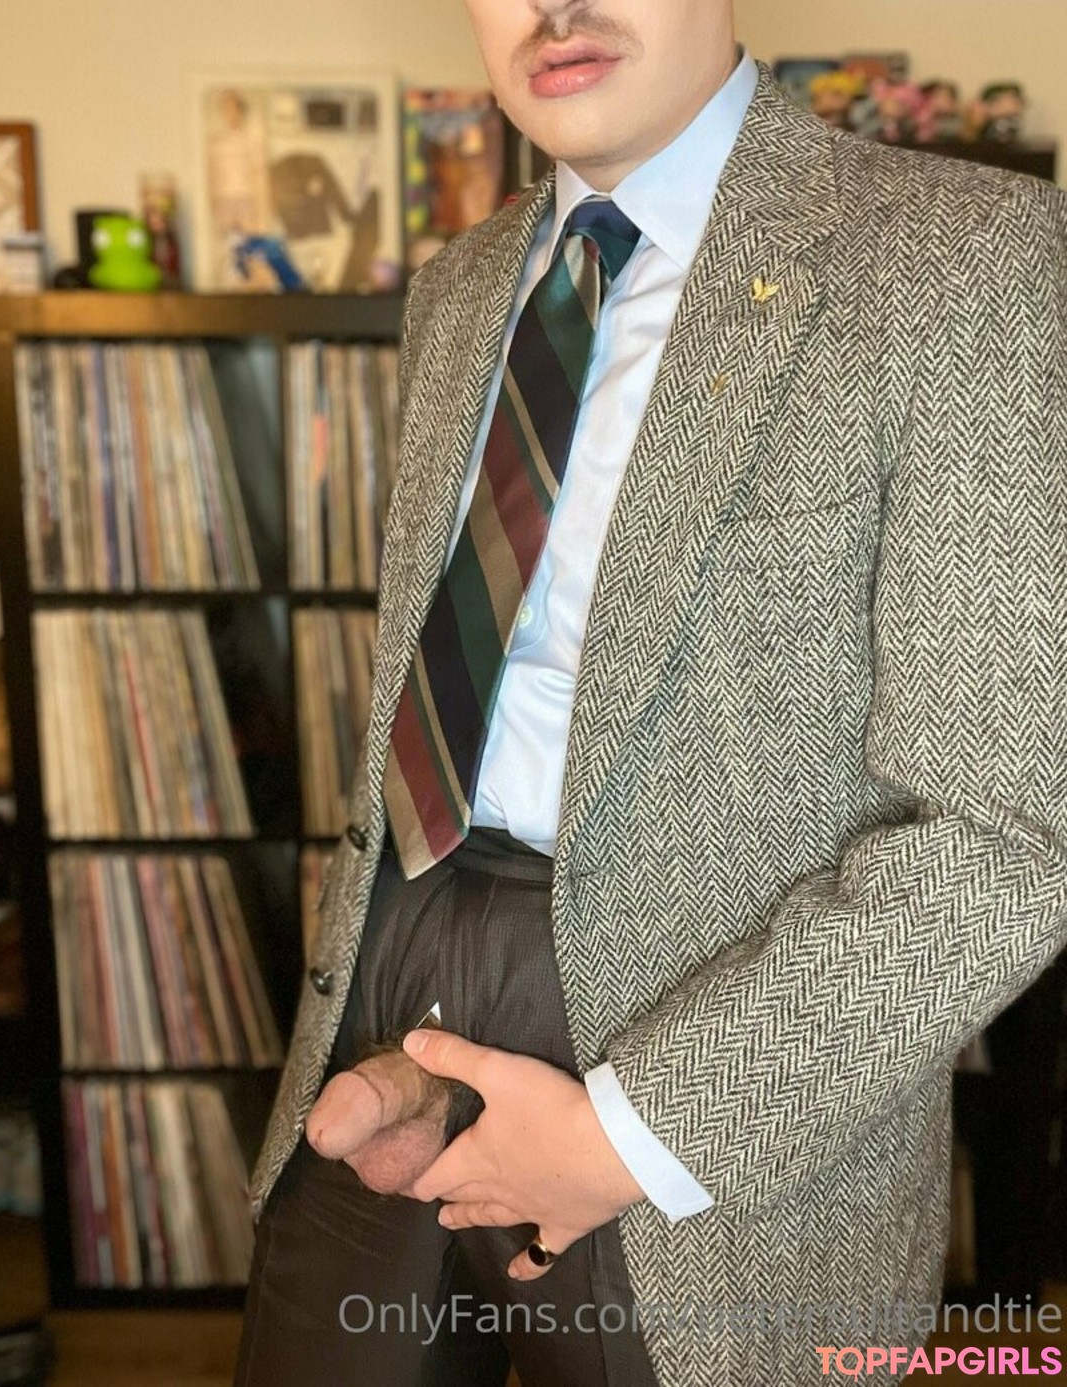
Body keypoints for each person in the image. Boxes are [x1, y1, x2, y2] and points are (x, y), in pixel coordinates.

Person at [234, 1, 1067, 1384]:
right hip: (389, 983)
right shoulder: (461, 285)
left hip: (720, 1058)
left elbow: (1014, 833)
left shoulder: (963, 257)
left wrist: (638, 1133)